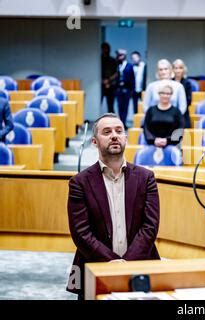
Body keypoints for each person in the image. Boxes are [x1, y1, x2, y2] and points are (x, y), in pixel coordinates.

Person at [66, 113, 160, 299]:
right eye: (106, 132)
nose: (114, 135)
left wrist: (127, 264)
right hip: (95, 266)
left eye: (119, 131)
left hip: (140, 265)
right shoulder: (79, 182)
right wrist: (112, 263)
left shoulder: (146, 177)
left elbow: (150, 226)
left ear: (125, 138)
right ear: (94, 141)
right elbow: (81, 232)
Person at [116, 49, 135, 129]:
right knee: (120, 107)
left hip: (127, 89)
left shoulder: (129, 66)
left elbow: (132, 78)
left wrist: (132, 90)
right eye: (119, 55)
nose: (120, 56)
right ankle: (121, 123)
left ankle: (124, 123)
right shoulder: (117, 65)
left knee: (125, 107)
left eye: (121, 55)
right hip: (118, 89)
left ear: (124, 56)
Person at [172, 59, 192, 128]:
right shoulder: (169, 82)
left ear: (183, 69)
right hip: (170, 112)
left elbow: (189, 101)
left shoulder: (187, 83)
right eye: (176, 68)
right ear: (173, 69)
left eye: (180, 68)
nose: (178, 70)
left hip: (184, 113)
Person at [101, 42, 117, 113]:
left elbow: (117, 73)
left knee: (110, 106)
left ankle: (112, 122)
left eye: (107, 49)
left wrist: (109, 80)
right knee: (97, 104)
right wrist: (102, 81)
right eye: (105, 49)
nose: (106, 50)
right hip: (100, 85)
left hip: (111, 85)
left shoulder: (113, 60)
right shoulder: (99, 60)